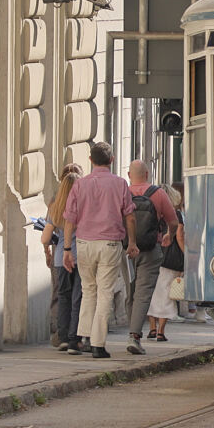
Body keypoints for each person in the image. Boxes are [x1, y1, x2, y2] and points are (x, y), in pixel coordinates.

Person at [62, 142, 139, 359]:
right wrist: (132, 242)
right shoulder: (120, 183)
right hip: (109, 243)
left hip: (84, 242)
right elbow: (130, 216)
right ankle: (98, 343)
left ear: (90, 160)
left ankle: (84, 336)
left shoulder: (80, 185)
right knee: (105, 292)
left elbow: (69, 219)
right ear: (112, 160)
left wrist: (67, 248)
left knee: (89, 290)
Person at [125, 160, 179, 355]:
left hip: (125, 250)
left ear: (129, 175)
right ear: (147, 174)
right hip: (149, 249)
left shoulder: (123, 192)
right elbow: (173, 221)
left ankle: (95, 336)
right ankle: (134, 336)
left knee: (129, 293)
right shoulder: (158, 193)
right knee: (143, 293)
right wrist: (169, 235)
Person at [41, 164, 83, 352]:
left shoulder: (55, 208)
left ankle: (63, 336)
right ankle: (76, 337)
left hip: (60, 258)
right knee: (78, 298)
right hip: (81, 256)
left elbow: (45, 237)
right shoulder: (84, 207)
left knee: (62, 297)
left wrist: (48, 250)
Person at [146, 184, 185, 341]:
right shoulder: (176, 214)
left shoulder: (154, 212)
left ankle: (152, 328)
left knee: (153, 293)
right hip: (171, 258)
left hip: (154, 254)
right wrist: (187, 255)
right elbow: (180, 236)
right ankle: (161, 331)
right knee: (167, 295)